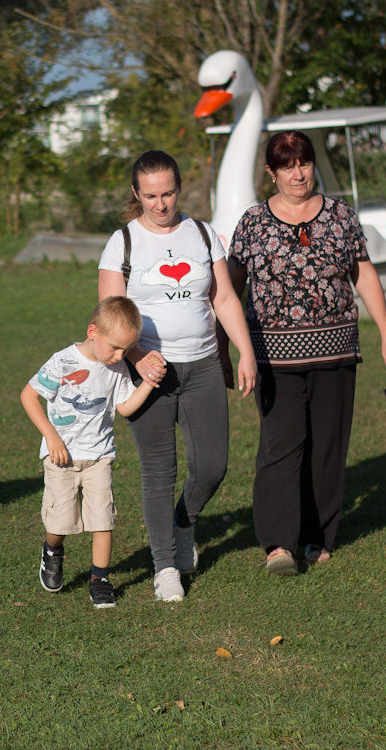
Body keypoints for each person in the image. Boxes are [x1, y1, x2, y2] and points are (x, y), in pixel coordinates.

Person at [227, 130, 386, 576]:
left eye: (303, 163)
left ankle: (317, 536)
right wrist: (223, 345)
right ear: (271, 172)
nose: (298, 174)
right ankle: (278, 544)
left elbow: (363, 274)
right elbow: (230, 289)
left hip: (335, 352)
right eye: (287, 166)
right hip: (273, 357)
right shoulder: (252, 223)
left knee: (327, 447)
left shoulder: (341, 216)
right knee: (281, 447)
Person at [97, 150, 257, 602]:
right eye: (150, 196)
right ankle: (165, 567)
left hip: (203, 365)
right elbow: (109, 316)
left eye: (167, 193)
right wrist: (138, 358)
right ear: (136, 193)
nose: (160, 204)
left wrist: (245, 352)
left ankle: (184, 522)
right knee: (158, 472)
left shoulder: (202, 234)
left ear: (179, 188)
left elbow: (224, 299)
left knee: (212, 466)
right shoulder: (122, 244)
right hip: (148, 374)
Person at [20, 296, 156, 608]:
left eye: (125, 350)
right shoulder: (63, 361)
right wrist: (51, 437)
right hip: (61, 458)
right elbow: (28, 396)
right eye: (115, 347)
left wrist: (148, 382)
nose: (120, 356)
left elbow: (125, 407)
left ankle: (100, 579)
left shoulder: (117, 366)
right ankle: (52, 550)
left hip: (100, 457)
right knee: (60, 524)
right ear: (93, 332)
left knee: (103, 520)